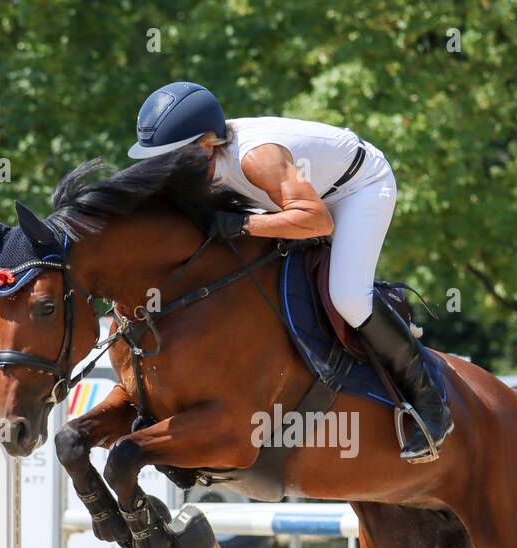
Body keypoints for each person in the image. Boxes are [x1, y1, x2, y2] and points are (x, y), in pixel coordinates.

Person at [128, 81, 452, 462]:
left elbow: (317, 221)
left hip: (356, 189)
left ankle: (431, 401)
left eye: (169, 156)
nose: (162, 168)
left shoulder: (254, 158)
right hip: (295, 198)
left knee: (348, 296)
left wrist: (243, 225)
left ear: (204, 145)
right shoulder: (200, 165)